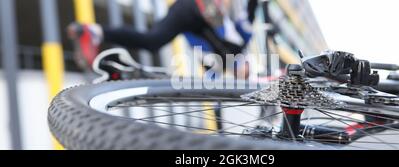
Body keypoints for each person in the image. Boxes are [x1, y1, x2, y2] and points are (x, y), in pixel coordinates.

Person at [68, 0, 258, 79]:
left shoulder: (217, 62)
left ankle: (95, 31)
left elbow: (197, 46)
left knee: (152, 41)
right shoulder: (239, 45)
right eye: (244, 71)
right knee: (232, 45)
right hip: (202, 10)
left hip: (185, 11)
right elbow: (244, 13)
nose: (240, 73)